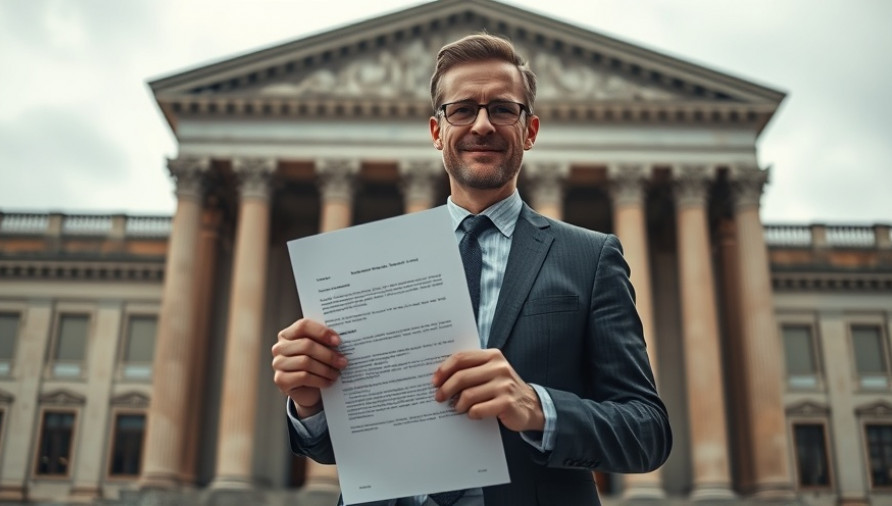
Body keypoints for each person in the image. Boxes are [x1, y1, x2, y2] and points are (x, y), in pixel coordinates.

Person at [271, 33, 671, 506]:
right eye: (462, 110)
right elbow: (335, 446)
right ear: (437, 131)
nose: (482, 125)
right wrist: (309, 403)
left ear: (531, 130)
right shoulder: (368, 266)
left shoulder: (590, 258)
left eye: (503, 109)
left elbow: (647, 431)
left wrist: (538, 408)